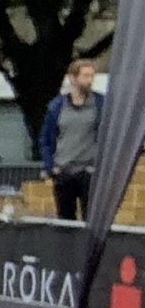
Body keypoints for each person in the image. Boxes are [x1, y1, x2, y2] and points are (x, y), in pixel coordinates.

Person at [40, 58, 101, 220]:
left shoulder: (100, 103)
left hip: (89, 171)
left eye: (92, 76)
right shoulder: (57, 106)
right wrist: (51, 167)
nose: (90, 80)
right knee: (65, 223)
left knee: (92, 219)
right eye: (85, 76)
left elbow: (108, 137)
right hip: (64, 171)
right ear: (73, 78)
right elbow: (46, 139)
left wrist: (97, 165)